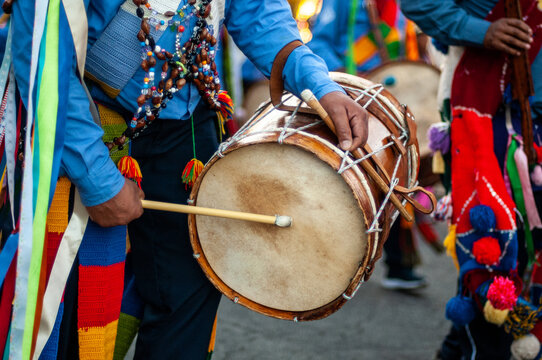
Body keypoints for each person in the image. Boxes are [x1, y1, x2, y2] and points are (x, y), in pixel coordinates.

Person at [4, 0, 370, 358]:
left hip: (188, 131)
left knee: (186, 304)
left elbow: (257, 12)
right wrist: (97, 177)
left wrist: (319, 85)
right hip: (87, 123)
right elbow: (43, 46)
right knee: (69, 304)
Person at [400, 0, 541, 359]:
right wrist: (483, 31)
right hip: (492, 120)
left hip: (525, 122)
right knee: (495, 257)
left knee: (526, 261)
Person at [308, 0, 428, 290]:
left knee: (395, 175)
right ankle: (330, 258)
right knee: (345, 180)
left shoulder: (403, 6)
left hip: (392, 103)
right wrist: (346, 83)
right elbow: (320, 43)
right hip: (353, 99)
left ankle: (398, 263)